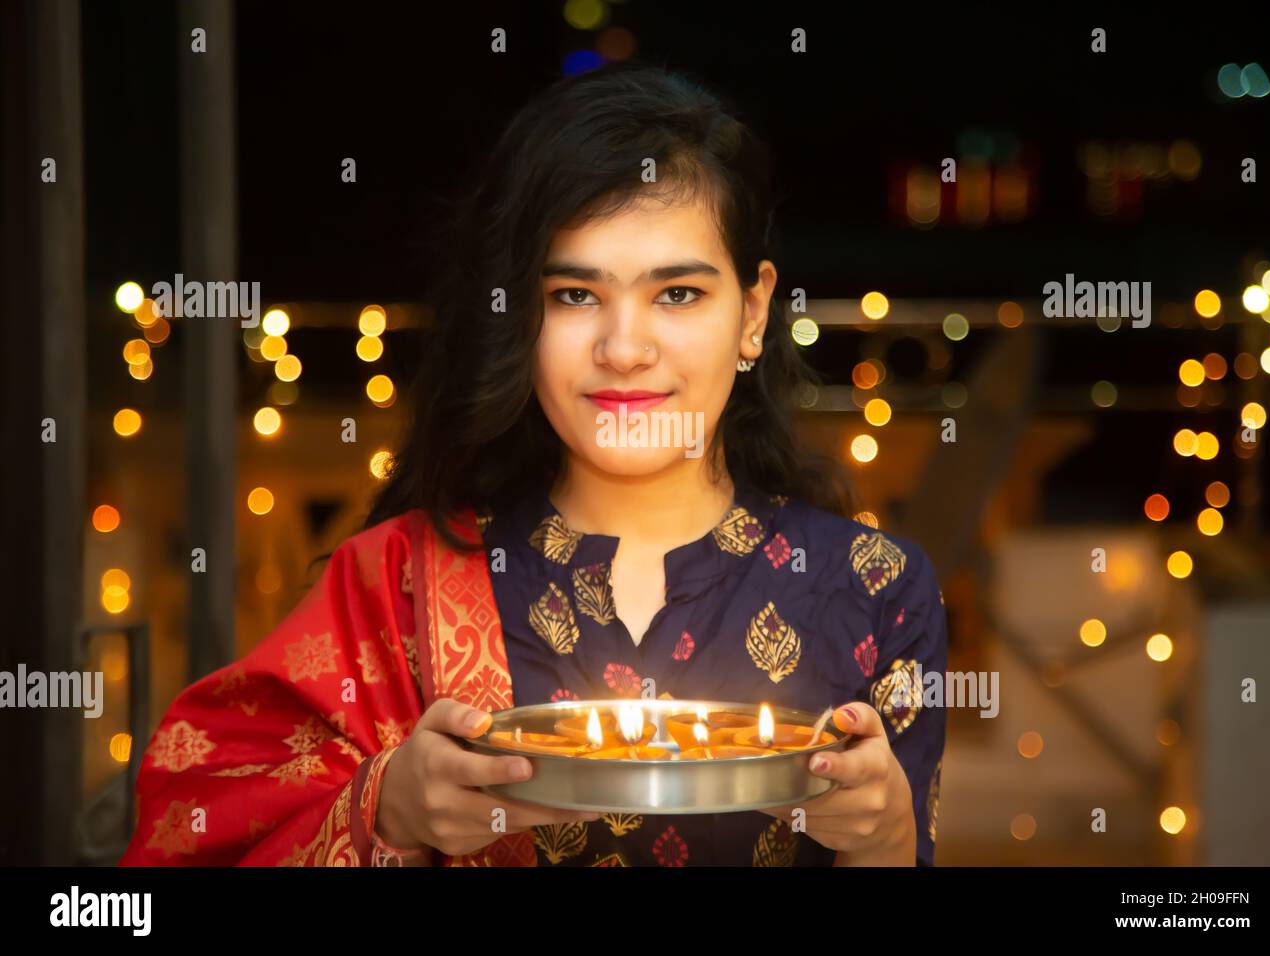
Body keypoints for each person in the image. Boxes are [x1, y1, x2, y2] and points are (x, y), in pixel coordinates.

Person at [120, 61, 946, 868]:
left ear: (754, 313)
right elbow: (195, 832)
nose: (625, 349)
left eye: (679, 294)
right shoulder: (397, 583)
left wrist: (885, 841)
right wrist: (389, 807)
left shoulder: (875, 590)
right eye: (574, 296)